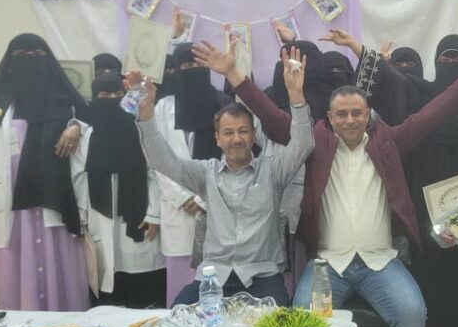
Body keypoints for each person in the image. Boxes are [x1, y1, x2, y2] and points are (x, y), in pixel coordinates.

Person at [192, 35, 458, 327]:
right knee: (301, 322)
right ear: (330, 117)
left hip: (380, 262)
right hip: (328, 265)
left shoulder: (388, 141)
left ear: (368, 114)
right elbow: (273, 119)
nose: (349, 120)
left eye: (356, 113)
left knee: (413, 313)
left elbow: (431, 114)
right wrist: (234, 74)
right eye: (341, 114)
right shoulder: (316, 142)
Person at [334, 31, 458, 327]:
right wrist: (358, 48)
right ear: (435, 62)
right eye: (445, 58)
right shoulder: (422, 98)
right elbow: (391, 84)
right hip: (426, 210)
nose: (451, 63)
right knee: (430, 283)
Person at [131, 45, 315, 307]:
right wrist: (146, 114)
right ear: (217, 138)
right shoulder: (205, 173)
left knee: (278, 326)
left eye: (243, 131)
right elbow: (162, 161)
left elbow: (303, 144)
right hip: (213, 276)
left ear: (253, 135)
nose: (236, 139)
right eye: (228, 133)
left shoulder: (273, 170)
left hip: (262, 274)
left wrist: (296, 96)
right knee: (178, 315)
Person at [0, 33, 90, 311]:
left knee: (64, 278)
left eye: (37, 55)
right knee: (18, 278)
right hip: (12, 211)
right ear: (9, 63)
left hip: (57, 205)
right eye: (22, 55)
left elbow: (94, 129)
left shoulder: (65, 100)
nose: (30, 61)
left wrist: (77, 127)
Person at [71, 72, 165, 308]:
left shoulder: (141, 130)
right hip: (99, 215)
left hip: (139, 214)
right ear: (95, 98)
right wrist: (81, 218)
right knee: (108, 283)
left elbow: (156, 172)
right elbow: (79, 177)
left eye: (117, 94)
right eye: (105, 95)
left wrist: (154, 214)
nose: (112, 99)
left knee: (143, 288)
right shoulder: (87, 136)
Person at [150, 43, 231, 306]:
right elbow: (156, 156)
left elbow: (230, 156)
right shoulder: (162, 108)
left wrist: (202, 199)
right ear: (175, 70)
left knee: (215, 285)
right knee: (181, 290)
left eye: (198, 65)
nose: (192, 70)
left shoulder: (222, 105)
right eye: (185, 66)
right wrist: (182, 197)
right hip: (177, 209)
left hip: (213, 206)